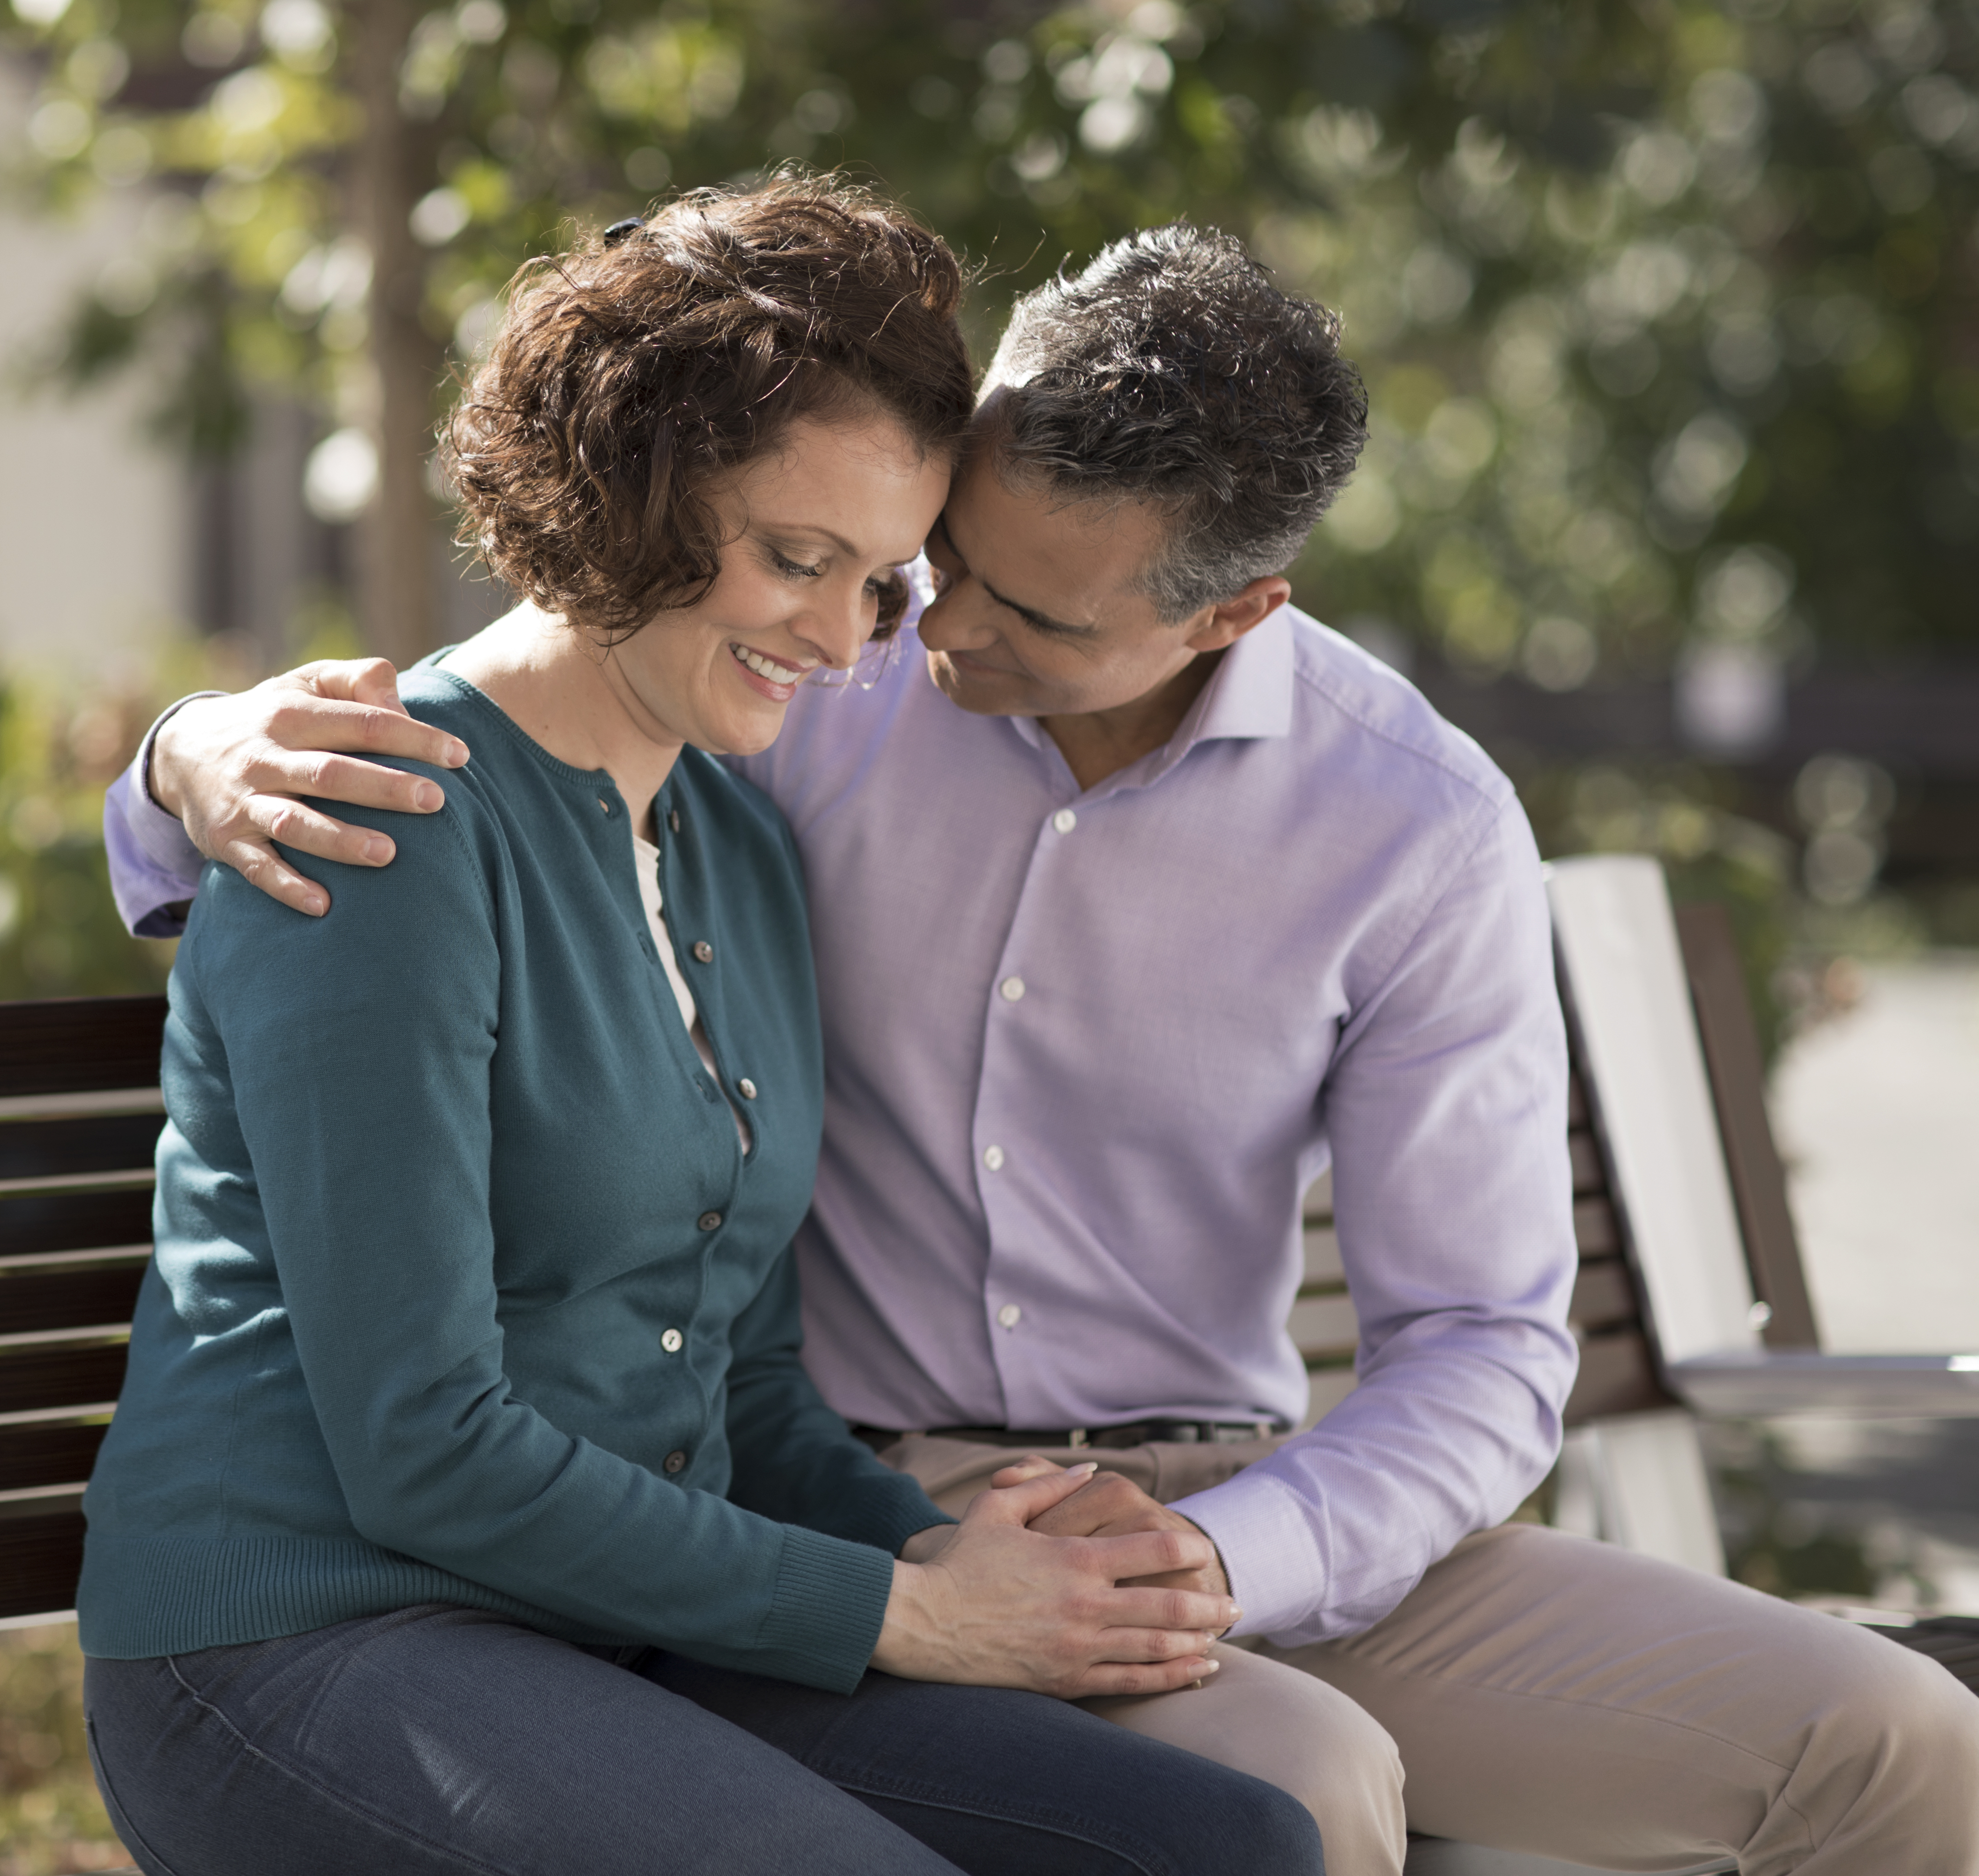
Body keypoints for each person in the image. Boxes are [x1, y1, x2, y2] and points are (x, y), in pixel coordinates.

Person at [104, 223, 1979, 1875]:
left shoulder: (1390, 820)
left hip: (1173, 1508)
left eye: (983, 601)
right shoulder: (774, 720)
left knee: (1888, 1754)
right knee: (1297, 1793)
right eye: (918, 568)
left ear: (1236, 610)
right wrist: (180, 764)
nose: (904, 642)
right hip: (590, 1553)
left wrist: (1203, 1560)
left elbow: (1484, 1347)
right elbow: (464, 770)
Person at [74, 179, 1327, 1876]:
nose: (841, 638)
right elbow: (424, 1451)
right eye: (795, 558)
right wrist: (910, 1613)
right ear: (626, 490)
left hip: (618, 1626)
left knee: (1231, 1847)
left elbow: (736, 1369)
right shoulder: (384, 821)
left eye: (882, 581)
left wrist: (972, 1560)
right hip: (310, 1639)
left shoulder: (731, 837)